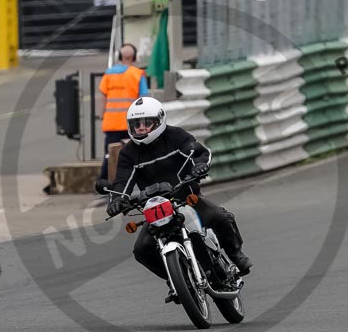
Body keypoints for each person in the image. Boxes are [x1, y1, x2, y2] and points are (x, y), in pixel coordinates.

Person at [107, 96, 253, 302]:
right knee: (141, 250)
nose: (141, 128)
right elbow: (122, 182)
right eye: (136, 124)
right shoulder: (129, 153)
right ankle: (175, 280)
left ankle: (236, 255)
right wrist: (116, 201)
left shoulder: (176, 136)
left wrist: (200, 166)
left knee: (220, 217)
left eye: (146, 123)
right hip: (155, 207)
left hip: (186, 197)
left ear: (159, 120)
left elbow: (200, 153)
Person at [98, 43, 148, 182]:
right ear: (134, 57)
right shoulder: (137, 74)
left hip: (111, 123)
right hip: (132, 123)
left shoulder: (108, 74)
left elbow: (102, 96)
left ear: (119, 56)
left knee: (110, 155)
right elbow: (143, 99)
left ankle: (104, 183)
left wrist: (102, 115)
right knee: (136, 154)